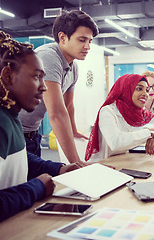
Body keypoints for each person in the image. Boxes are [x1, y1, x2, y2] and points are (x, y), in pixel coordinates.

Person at [0, 23, 81, 228]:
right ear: (8, 76)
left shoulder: (7, 114)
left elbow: (17, 157)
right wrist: (36, 188)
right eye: (37, 77)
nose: (44, 87)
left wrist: (58, 169)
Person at [18, 10, 98, 165]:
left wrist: (74, 131)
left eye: (90, 41)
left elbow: (68, 105)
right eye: (82, 40)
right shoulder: (47, 57)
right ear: (62, 37)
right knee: (24, 185)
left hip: (33, 134)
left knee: (33, 180)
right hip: (14, 133)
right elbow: (56, 114)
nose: (87, 46)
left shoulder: (73, 67)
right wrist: (76, 162)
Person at [85, 74, 154, 161]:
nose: (145, 94)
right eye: (139, 89)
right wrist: (149, 133)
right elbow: (116, 143)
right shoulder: (108, 111)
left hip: (123, 162)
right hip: (102, 165)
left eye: (146, 90)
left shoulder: (141, 114)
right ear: (126, 89)